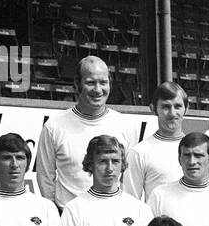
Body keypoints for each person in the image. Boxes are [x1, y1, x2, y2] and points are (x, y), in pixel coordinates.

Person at [35, 55, 136, 207]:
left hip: (112, 215)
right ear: (77, 84)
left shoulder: (125, 126)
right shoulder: (54, 125)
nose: (98, 89)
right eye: (90, 82)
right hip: (68, 219)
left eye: (103, 82)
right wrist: (53, 214)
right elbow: (45, 178)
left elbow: (128, 179)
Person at [125, 80, 190, 202]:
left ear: (186, 109)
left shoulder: (199, 151)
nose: (172, 113)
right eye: (166, 106)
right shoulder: (139, 152)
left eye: (178, 106)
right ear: (153, 109)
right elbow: (130, 203)